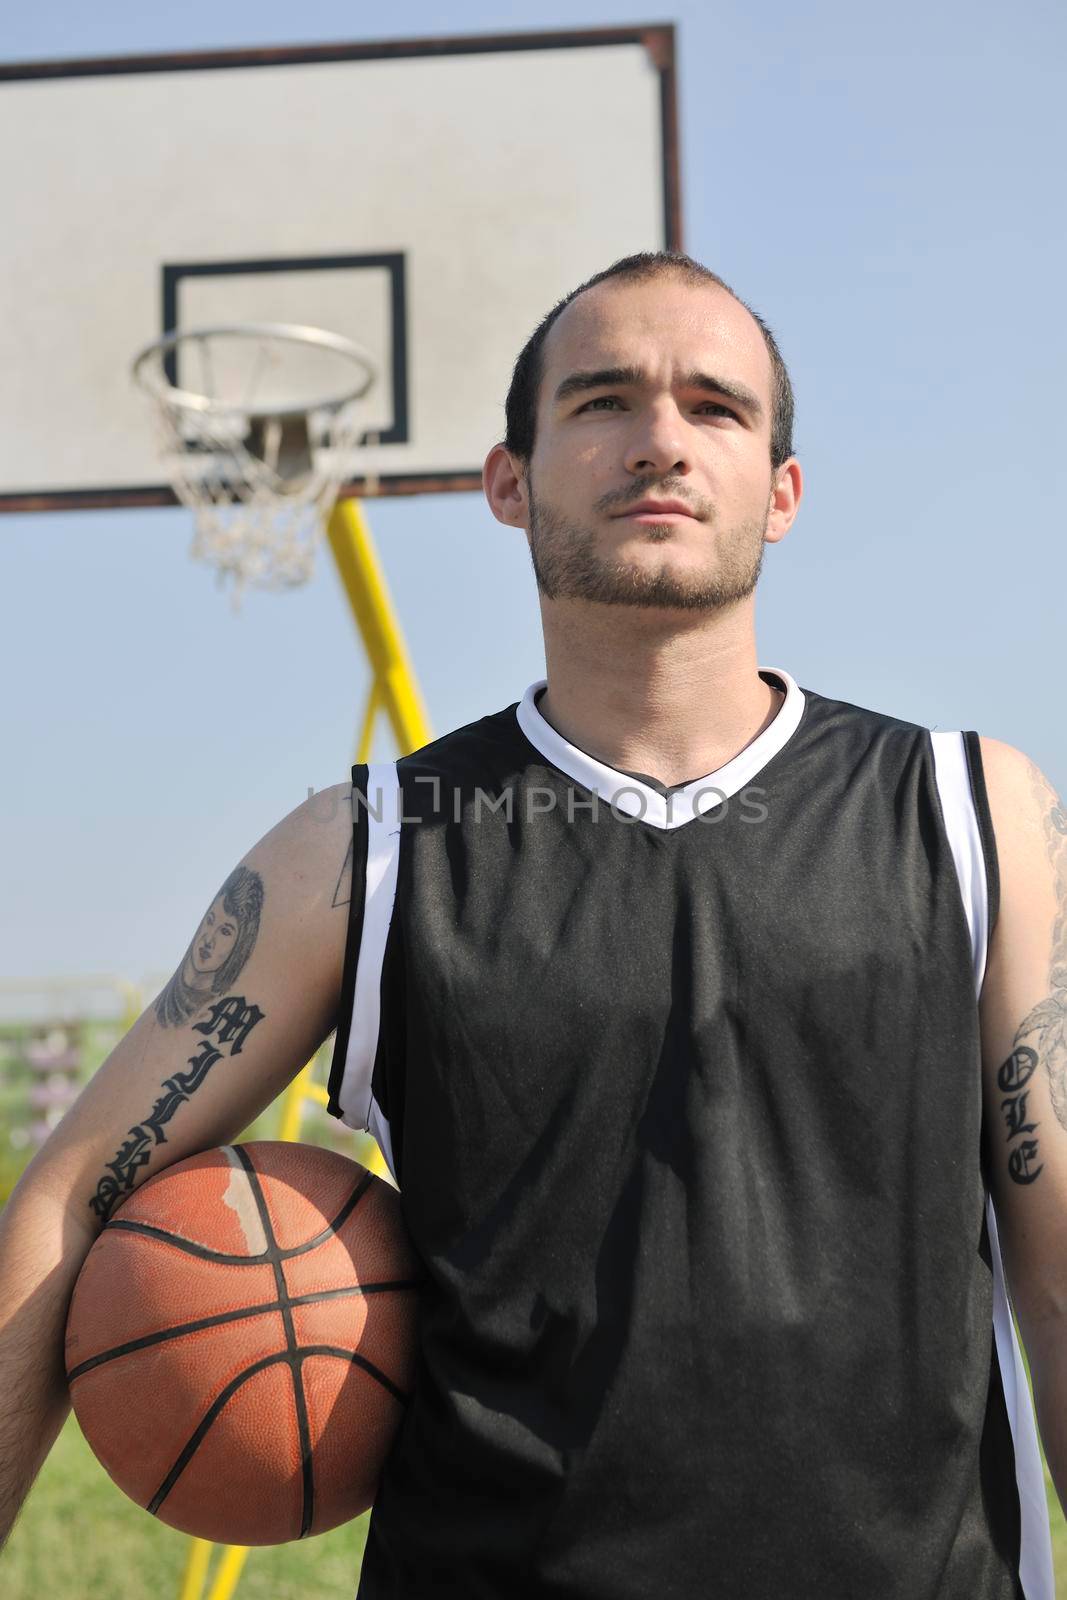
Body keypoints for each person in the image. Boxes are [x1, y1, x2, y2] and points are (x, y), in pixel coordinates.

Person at [0, 252, 1063, 1599]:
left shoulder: (973, 813)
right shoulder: (369, 850)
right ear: (508, 481)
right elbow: (68, 1200)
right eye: (603, 401)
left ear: (782, 494)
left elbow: (1063, 1277)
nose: (662, 440)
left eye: (717, 408)